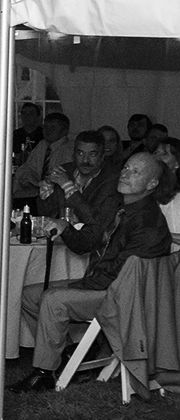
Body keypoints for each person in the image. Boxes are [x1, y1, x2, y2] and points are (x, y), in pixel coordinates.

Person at [16, 152, 174, 391]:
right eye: (126, 167)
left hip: (123, 297)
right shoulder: (122, 208)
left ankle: (44, 373)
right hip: (107, 284)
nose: (125, 173)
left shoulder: (147, 221)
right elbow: (88, 243)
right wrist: (66, 228)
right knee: (30, 294)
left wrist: (74, 287)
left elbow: (117, 276)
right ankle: (71, 354)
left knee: (52, 298)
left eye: (135, 172)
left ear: (152, 184)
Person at [36, 130, 119, 235]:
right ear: (74, 155)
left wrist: (67, 186)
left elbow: (96, 222)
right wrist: (47, 186)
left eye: (92, 155)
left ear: (102, 157)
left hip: (94, 245)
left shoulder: (112, 179)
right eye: (80, 153)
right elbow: (46, 214)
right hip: (61, 238)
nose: (85, 160)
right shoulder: (65, 171)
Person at [13, 112, 72, 206]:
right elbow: (27, 168)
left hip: (56, 197)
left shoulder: (69, 150)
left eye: (53, 127)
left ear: (64, 131)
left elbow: (59, 177)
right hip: (35, 192)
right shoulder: (42, 145)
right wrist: (29, 180)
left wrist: (38, 183)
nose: (47, 130)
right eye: (45, 127)